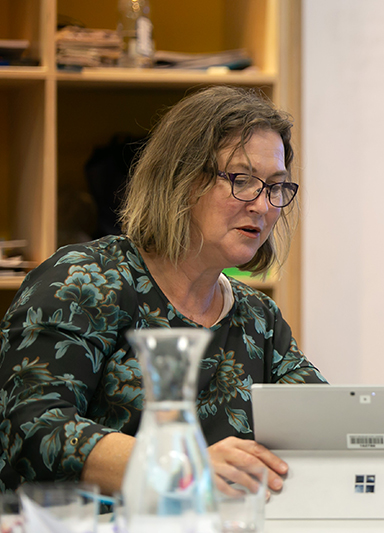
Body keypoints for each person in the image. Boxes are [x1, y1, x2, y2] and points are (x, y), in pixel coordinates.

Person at [0, 86, 326, 496]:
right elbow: (33, 428)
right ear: (181, 178)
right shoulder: (84, 280)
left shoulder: (258, 319)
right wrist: (183, 466)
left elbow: (324, 426)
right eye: (242, 180)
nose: (263, 206)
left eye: (277, 187)